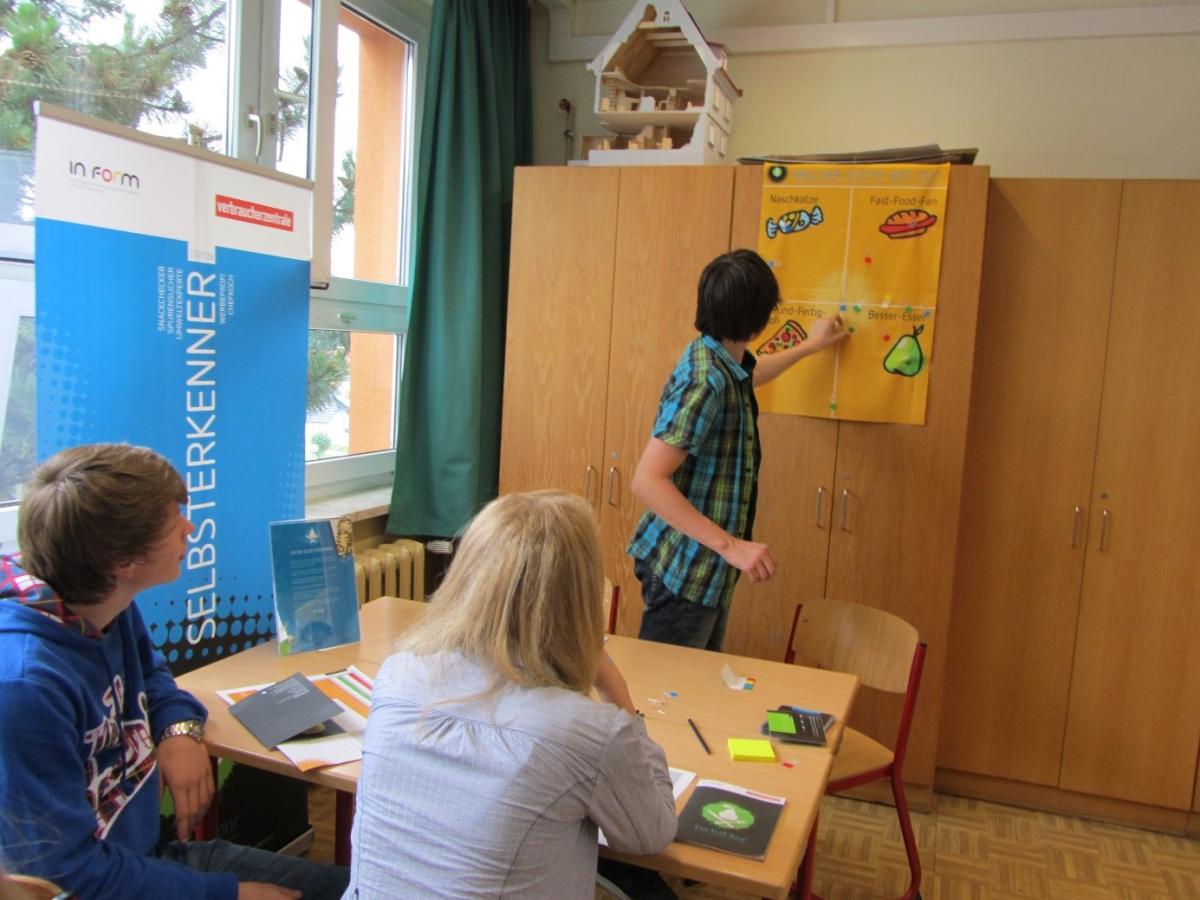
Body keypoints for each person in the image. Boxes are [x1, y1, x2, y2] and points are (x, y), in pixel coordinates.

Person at [0, 443, 349, 900]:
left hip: (146, 860)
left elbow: (153, 677)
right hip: (108, 883)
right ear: (123, 564)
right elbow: (64, 876)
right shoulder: (25, 687)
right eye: (173, 524)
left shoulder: (95, 598)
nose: (189, 528)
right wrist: (228, 895)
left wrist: (178, 729)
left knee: (376, 889)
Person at [345, 491, 677, 899]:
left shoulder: (398, 673)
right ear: (579, 599)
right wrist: (617, 691)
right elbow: (653, 832)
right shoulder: (590, 731)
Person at [627, 248, 848, 651]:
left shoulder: (720, 357)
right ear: (759, 318)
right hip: (683, 571)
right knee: (665, 700)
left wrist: (810, 347)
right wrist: (732, 547)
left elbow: (750, 375)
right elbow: (647, 480)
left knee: (696, 694)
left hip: (706, 569)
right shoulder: (705, 379)